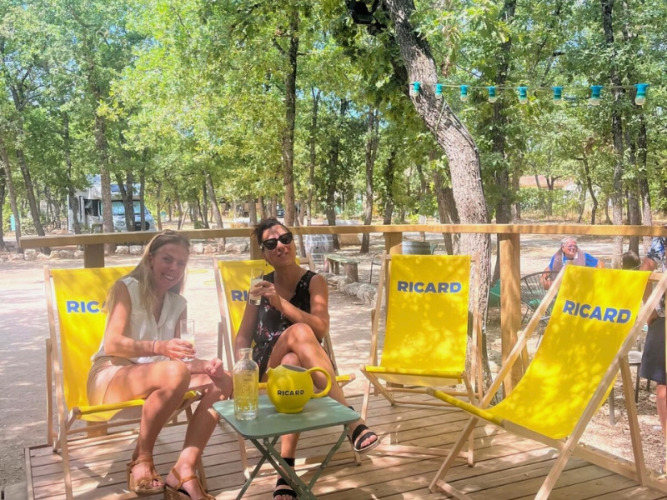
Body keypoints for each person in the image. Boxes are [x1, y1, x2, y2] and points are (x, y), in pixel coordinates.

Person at [235, 218, 379, 500]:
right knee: (298, 332)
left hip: (307, 368)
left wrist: (281, 304)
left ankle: (285, 471)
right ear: (264, 253)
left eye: (285, 238)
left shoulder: (315, 281)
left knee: (294, 358)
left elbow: (320, 329)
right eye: (271, 244)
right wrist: (242, 371)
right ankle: (352, 423)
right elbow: (242, 337)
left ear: (293, 242)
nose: (280, 246)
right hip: (267, 369)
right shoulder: (259, 286)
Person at [86, 230, 232, 499]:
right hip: (111, 375)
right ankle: (141, 458)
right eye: (167, 259)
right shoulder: (126, 288)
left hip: (161, 380)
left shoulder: (178, 304)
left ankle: (183, 470)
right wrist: (158, 347)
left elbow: (180, 361)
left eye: (181, 263)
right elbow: (113, 343)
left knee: (223, 380)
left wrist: (207, 365)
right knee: (175, 371)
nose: (174, 268)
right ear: (151, 258)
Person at [638, 235, 667, 467]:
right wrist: (650, 310)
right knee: (663, 384)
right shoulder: (663, 241)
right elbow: (644, 270)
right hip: (664, 320)